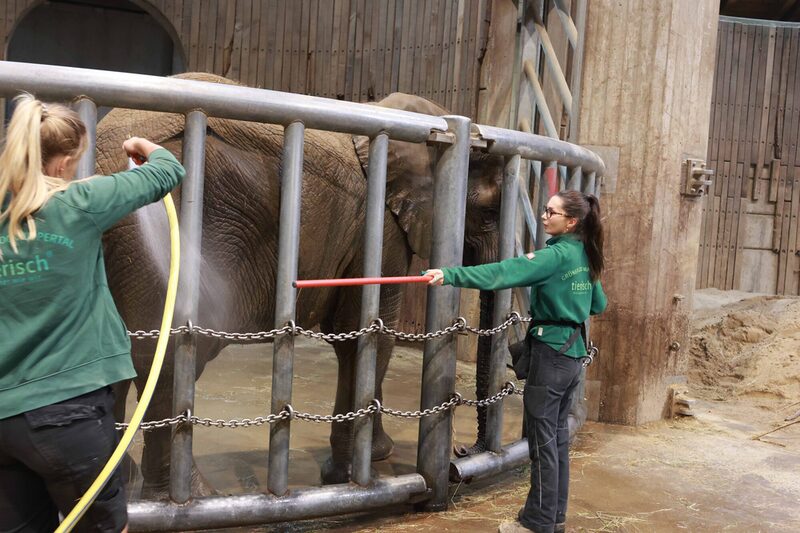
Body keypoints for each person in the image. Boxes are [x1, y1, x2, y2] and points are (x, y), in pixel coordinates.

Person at [0, 94, 185, 532]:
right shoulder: (80, 203)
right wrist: (140, 145)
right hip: (70, 415)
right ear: (64, 162)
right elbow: (167, 170)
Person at [425, 189, 607, 533]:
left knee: (542, 444)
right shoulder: (586, 254)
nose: (543, 215)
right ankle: (554, 519)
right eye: (544, 208)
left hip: (550, 356)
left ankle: (536, 523)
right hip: (571, 355)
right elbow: (598, 305)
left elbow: (502, 272)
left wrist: (449, 275)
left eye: (551, 212)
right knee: (556, 442)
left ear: (571, 222)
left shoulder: (555, 256)